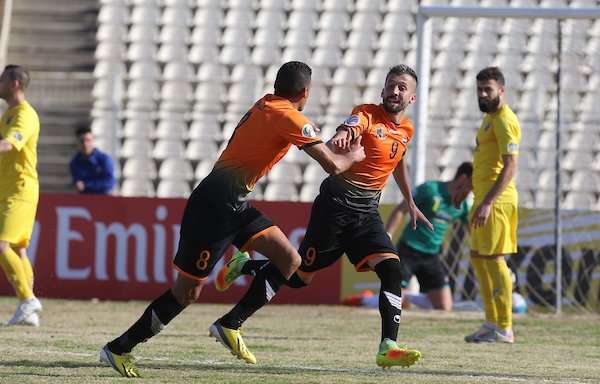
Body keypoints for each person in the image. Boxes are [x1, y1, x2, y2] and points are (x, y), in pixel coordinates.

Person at [99, 61, 365, 378]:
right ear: (305, 92)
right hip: (214, 207)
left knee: (289, 260)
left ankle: (230, 322)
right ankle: (118, 349)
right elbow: (333, 166)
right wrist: (355, 155)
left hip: (235, 203)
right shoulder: (286, 115)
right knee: (186, 294)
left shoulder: (266, 104)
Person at [212, 64, 432, 369]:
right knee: (299, 276)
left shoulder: (406, 129)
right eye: (391, 85)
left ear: (412, 98)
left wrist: (409, 199)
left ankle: (387, 346)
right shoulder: (366, 115)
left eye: (402, 87)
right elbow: (349, 129)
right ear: (382, 91)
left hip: (367, 213)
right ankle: (237, 298)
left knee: (393, 270)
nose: (395, 91)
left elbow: (398, 160)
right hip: (336, 209)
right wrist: (342, 136)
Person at [343, 162, 472, 311]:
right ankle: (364, 300)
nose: (471, 191)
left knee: (445, 307)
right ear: (463, 179)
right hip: (409, 250)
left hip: (432, 256)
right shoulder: (430, 189)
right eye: (471, 185)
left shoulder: (462, 206)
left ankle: (406, 296)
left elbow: (471, 227)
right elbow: (400, 210)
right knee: (393, 300)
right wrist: (388, 236)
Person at [464, 67, 520, 344]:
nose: (483, 94)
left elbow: (511, 166)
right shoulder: (489, 118)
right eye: (479, 89)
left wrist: (487, 202)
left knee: (495, 258)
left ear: (501, 90)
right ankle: (490, 323)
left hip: (496, 202)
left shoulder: (505, 120)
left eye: (488, 89)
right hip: (483, 199)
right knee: (477, 256)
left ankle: (505, 327)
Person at [0, 65, 43, 327]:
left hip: (20, 190)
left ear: (14, 83)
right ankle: (29, 310)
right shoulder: (10, 113)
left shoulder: (25, 115)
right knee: (18, 249)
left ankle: (28, 299)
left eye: (2, 79)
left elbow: (8, 144)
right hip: (9, 189)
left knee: (2, 246)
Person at [69, 126, 115, 194]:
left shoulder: (104, 159)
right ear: (77, 142)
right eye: (82, 141)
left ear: (93, 140)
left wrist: (87, 185)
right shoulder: (75, 162)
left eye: (88, 140)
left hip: (102, 199)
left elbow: (110, 183)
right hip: (85, 201)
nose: (85, 144)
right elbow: (77, 182)